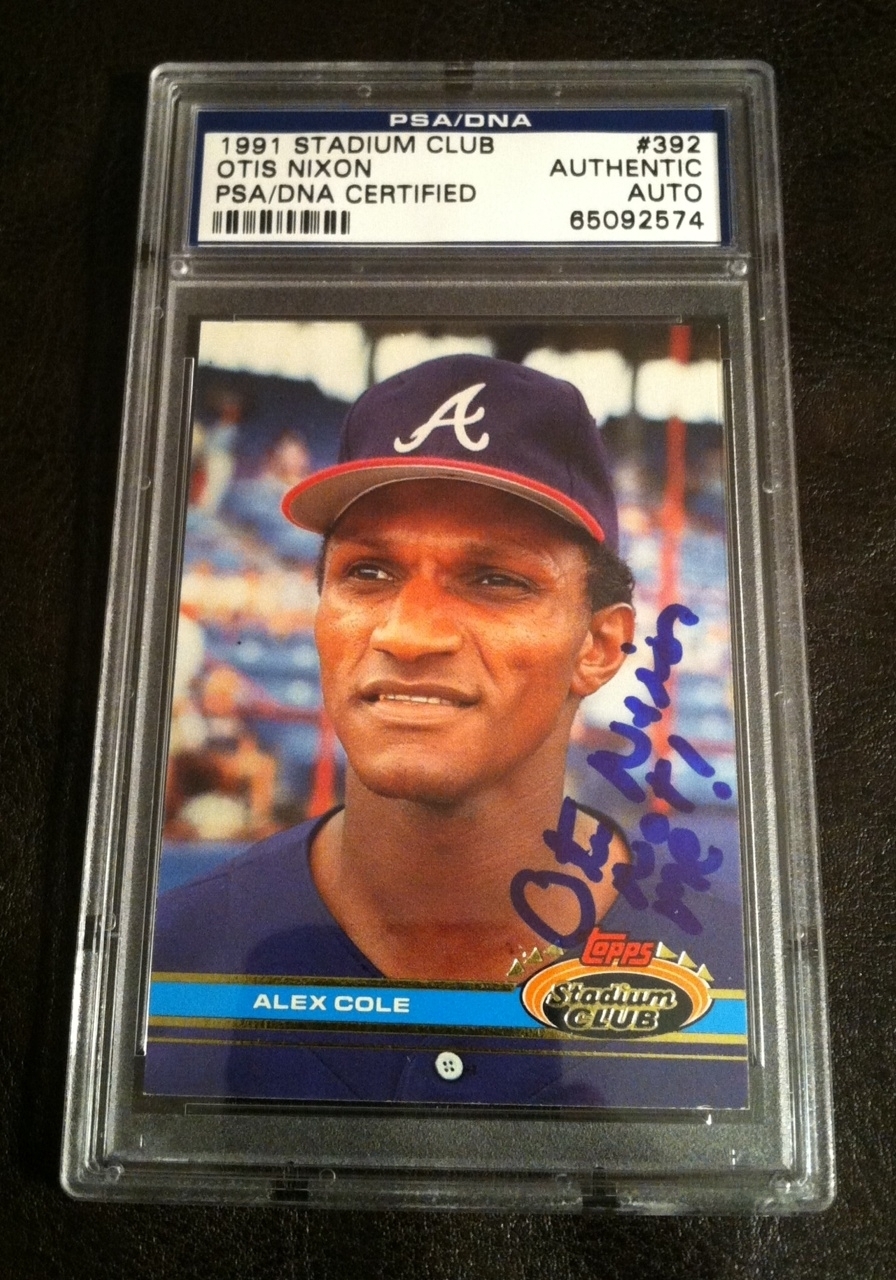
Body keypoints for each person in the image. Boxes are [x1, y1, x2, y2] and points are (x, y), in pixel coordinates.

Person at [149, 355, 744, 1107]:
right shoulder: (166, 954)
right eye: (368, 573)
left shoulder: (739, 979)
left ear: (597, 647)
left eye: (496, 580)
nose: (409, 632)